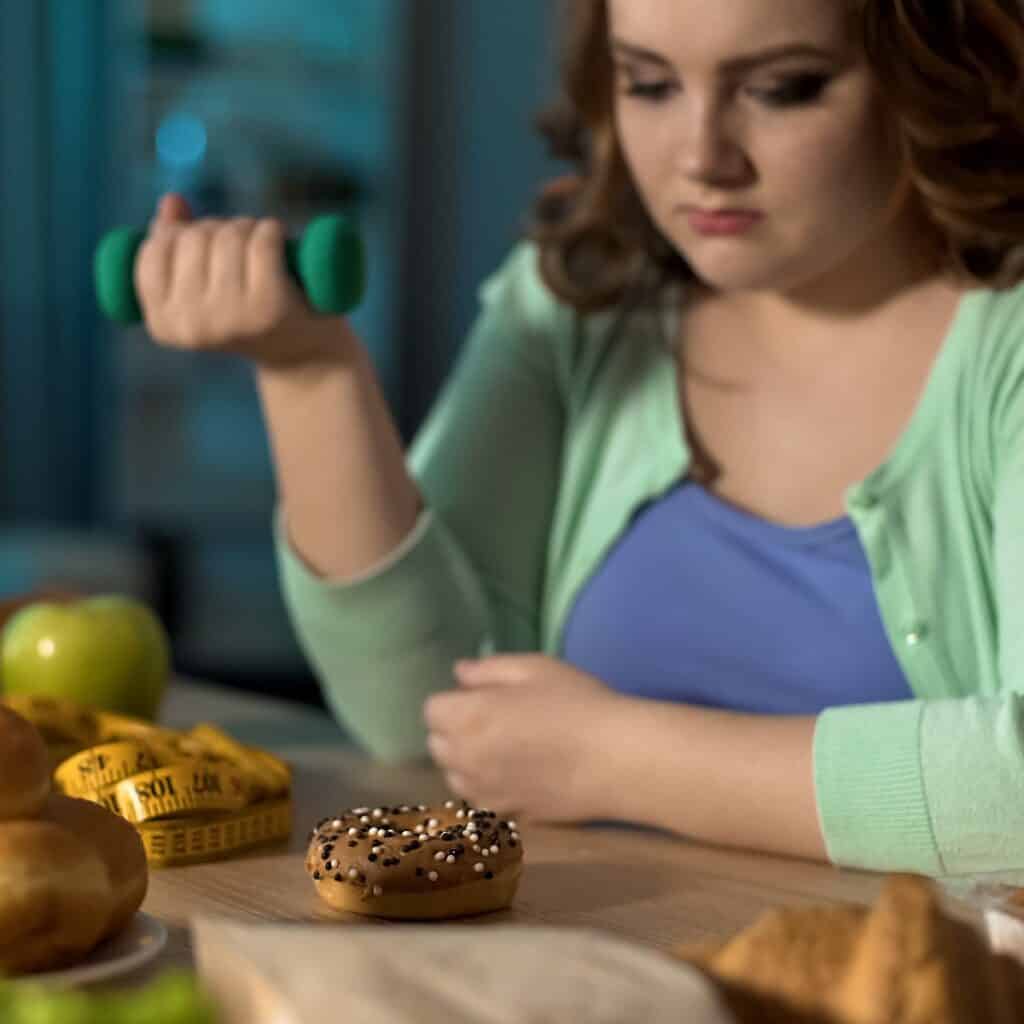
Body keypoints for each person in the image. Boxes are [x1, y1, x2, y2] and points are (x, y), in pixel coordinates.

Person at [133, 0, 1024, 876]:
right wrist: (307, 371)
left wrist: (619, 759)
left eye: (784, 88)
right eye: (649, 83)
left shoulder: (1007, 349)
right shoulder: (577, 302)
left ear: (932, 70)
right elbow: (421, 713)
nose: (702, 157)